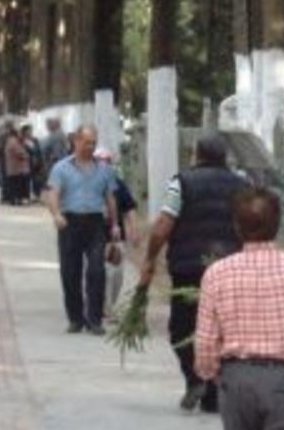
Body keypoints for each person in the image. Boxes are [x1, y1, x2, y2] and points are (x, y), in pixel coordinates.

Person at [195, 187, 284, 430]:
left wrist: (215, 375)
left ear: (237, 226)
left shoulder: (217, 274)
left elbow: (206, 344)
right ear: (278, 223)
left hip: (237, 383)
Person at [136, 135, 248, 412]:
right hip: (230, 271)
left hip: (189, 269)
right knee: (222, 333)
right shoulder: (244, 186)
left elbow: (163, 225)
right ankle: (211, 393)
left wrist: (150, 258)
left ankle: (196, 378)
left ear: (197, 154)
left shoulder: (182, 183)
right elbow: (251, 226)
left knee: (181, 329)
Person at [46, 125, 119, 335]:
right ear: (76, 141)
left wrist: (114, 225)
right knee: (70, 272)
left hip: (96, 223)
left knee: (97, 270)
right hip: (70, 223)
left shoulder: (105, 170)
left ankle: (95, 319)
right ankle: (75, 318)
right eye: (87, 142)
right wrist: (57, 214)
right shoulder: (61, 168)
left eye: (93, 143)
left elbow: (110, 198)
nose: (90, 147)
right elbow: (53, 194)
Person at [93, 148, 139, 318]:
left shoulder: (118, 184)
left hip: (115, 237)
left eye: (107, 161)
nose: (104, 164)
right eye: (99, 161)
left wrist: (133, 231)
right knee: (98, 272)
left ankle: (109, 304)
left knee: (116, 274)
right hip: (92, 237)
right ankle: (100, 306)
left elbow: (130, 208)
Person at [5, 127, 31, 205]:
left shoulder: (11, 141)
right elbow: (19, 153)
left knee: (14, 185)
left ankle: (14, 199)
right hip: (16, 168)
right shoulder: (13, 142)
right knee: (17, 185)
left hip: (13, 168)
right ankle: (17, 200)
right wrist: (27, 155)